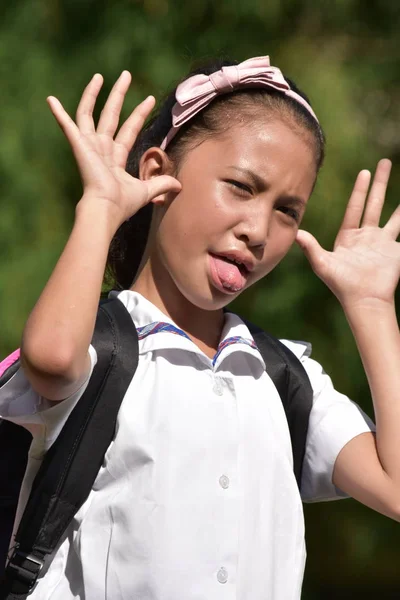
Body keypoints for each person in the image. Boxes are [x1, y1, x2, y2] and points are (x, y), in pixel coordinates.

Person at [0, 55, 399, 600]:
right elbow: (49, 360)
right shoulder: (105, 346)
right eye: (240, 186)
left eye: (288, 211)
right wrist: (100, 206)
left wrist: (373, 306)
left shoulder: (284, 376)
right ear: (158, 174)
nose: (259, 229)